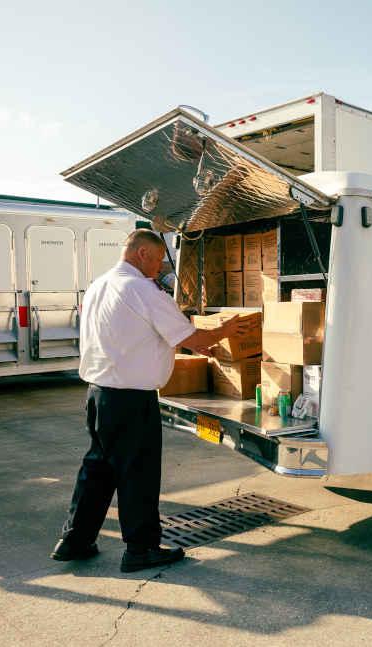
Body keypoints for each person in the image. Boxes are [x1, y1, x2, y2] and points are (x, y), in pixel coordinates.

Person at [50, 229, 255, 571]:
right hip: (131, 401)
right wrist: (227, 330)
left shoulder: (101, 285)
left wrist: (194, 343)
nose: (161, 267)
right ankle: (141, 550)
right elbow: (191, 334)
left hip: (99, 396)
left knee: (97, 470)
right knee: (138, 474)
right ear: (142, 253)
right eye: (159, 258)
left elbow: (138, 334)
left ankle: (74, 540)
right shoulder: (141, 289)